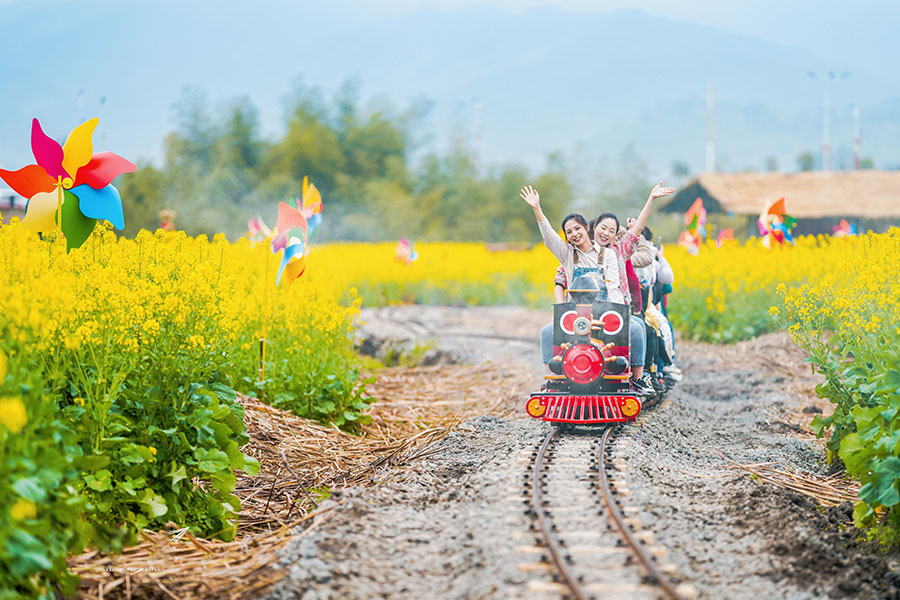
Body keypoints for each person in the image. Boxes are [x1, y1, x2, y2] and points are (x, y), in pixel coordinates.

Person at [520, 186, 624, 372]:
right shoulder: (567, 255)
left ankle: (635, 378)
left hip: (603, 313)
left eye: (577, 228)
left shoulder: (607, 255)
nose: (574, 234)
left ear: (587, 228)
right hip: (574, 316)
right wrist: (537, 209)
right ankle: (552, 377)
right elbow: (549, 236)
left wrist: (617, 313)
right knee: (546, 332)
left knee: (634, 332)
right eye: (569, 232)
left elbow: (613, 286)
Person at [593, 182, 675, 394]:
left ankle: (639, 378)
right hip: (589, 310)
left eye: (611, 230)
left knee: (639, 329)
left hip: (616, 310)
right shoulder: (583, 250)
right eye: (603, 227)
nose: (606, 233)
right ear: (594, 228)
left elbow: (637, 229)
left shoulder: (620, 250)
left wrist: (651, 198)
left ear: (615, 235)